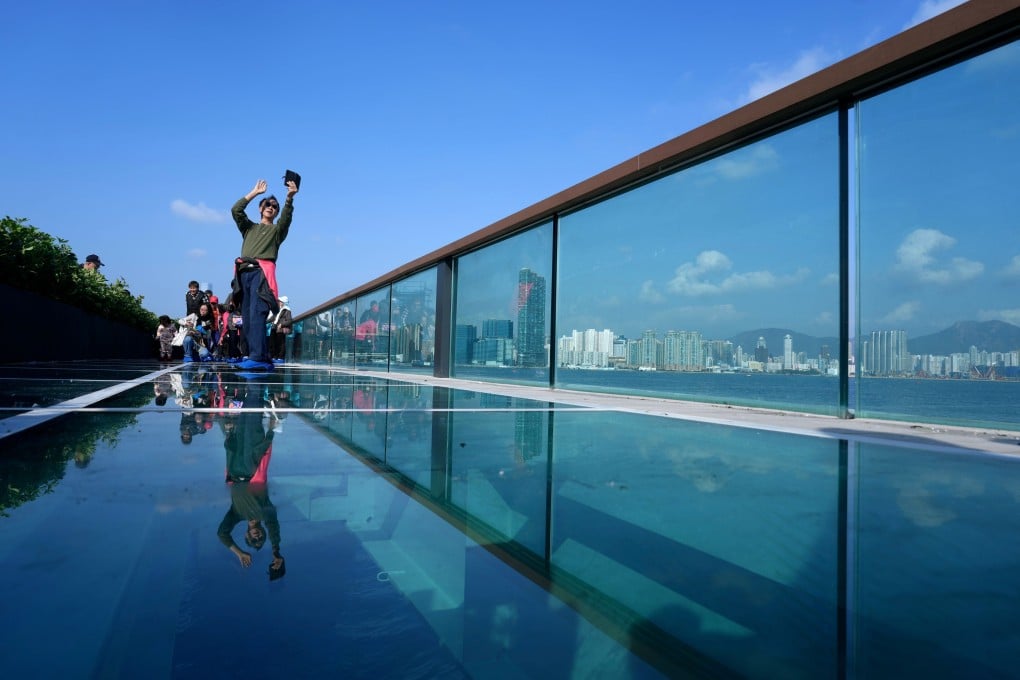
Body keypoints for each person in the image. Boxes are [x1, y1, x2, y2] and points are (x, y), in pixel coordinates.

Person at [217, 380, 285, 580]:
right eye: (260, 540)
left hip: (236, 463)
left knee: (245, 411)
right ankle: (255, 376)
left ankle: (251, 379)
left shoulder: (236, 514)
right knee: (253, 413)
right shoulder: (265, 512)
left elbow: (222, 533)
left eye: (252, 541)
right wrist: (275, 551)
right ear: (262, 532)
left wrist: (239, 553)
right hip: (252, 461)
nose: (257, 538)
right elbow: (274, 527)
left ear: (246, 535)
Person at [230, 178, 298, 371]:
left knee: (258, 314)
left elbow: (286, 219)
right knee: (247, 316)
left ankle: (257, 356)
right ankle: (258, 355)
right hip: (244, 275)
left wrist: (289, 198)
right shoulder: (249, 228)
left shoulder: (277, 232)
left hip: (261, 275)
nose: (271, 207)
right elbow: (236, 210)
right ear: (260, 208)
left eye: (274, 206)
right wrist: (254, 193)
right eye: (267, 204)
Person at [269, 295, 293, 362]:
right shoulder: (278, 310)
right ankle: (274, 357)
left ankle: (280, 357)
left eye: (280, 301)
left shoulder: (287, 310)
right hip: (274, 328)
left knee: (281, 344)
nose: (279, 302)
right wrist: (265, 321)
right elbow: (272, 318)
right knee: (272, 343)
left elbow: (289, 320)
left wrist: (282, 324)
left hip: (280, 329)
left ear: (283, 302)